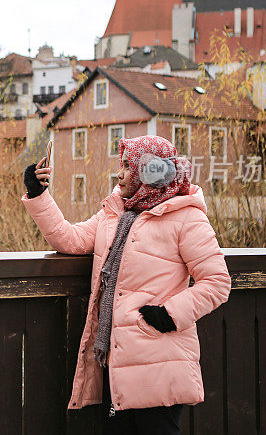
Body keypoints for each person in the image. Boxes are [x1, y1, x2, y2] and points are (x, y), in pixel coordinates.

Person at [22, 135, 230, 435]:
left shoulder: (187, 217)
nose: (119, 173)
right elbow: (69, 238)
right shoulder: (116, 212)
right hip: (114, 360)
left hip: (159, 358)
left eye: (128, 166)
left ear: (151, 171)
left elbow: (217, 282)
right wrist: (38, 193)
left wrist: (168, 314)